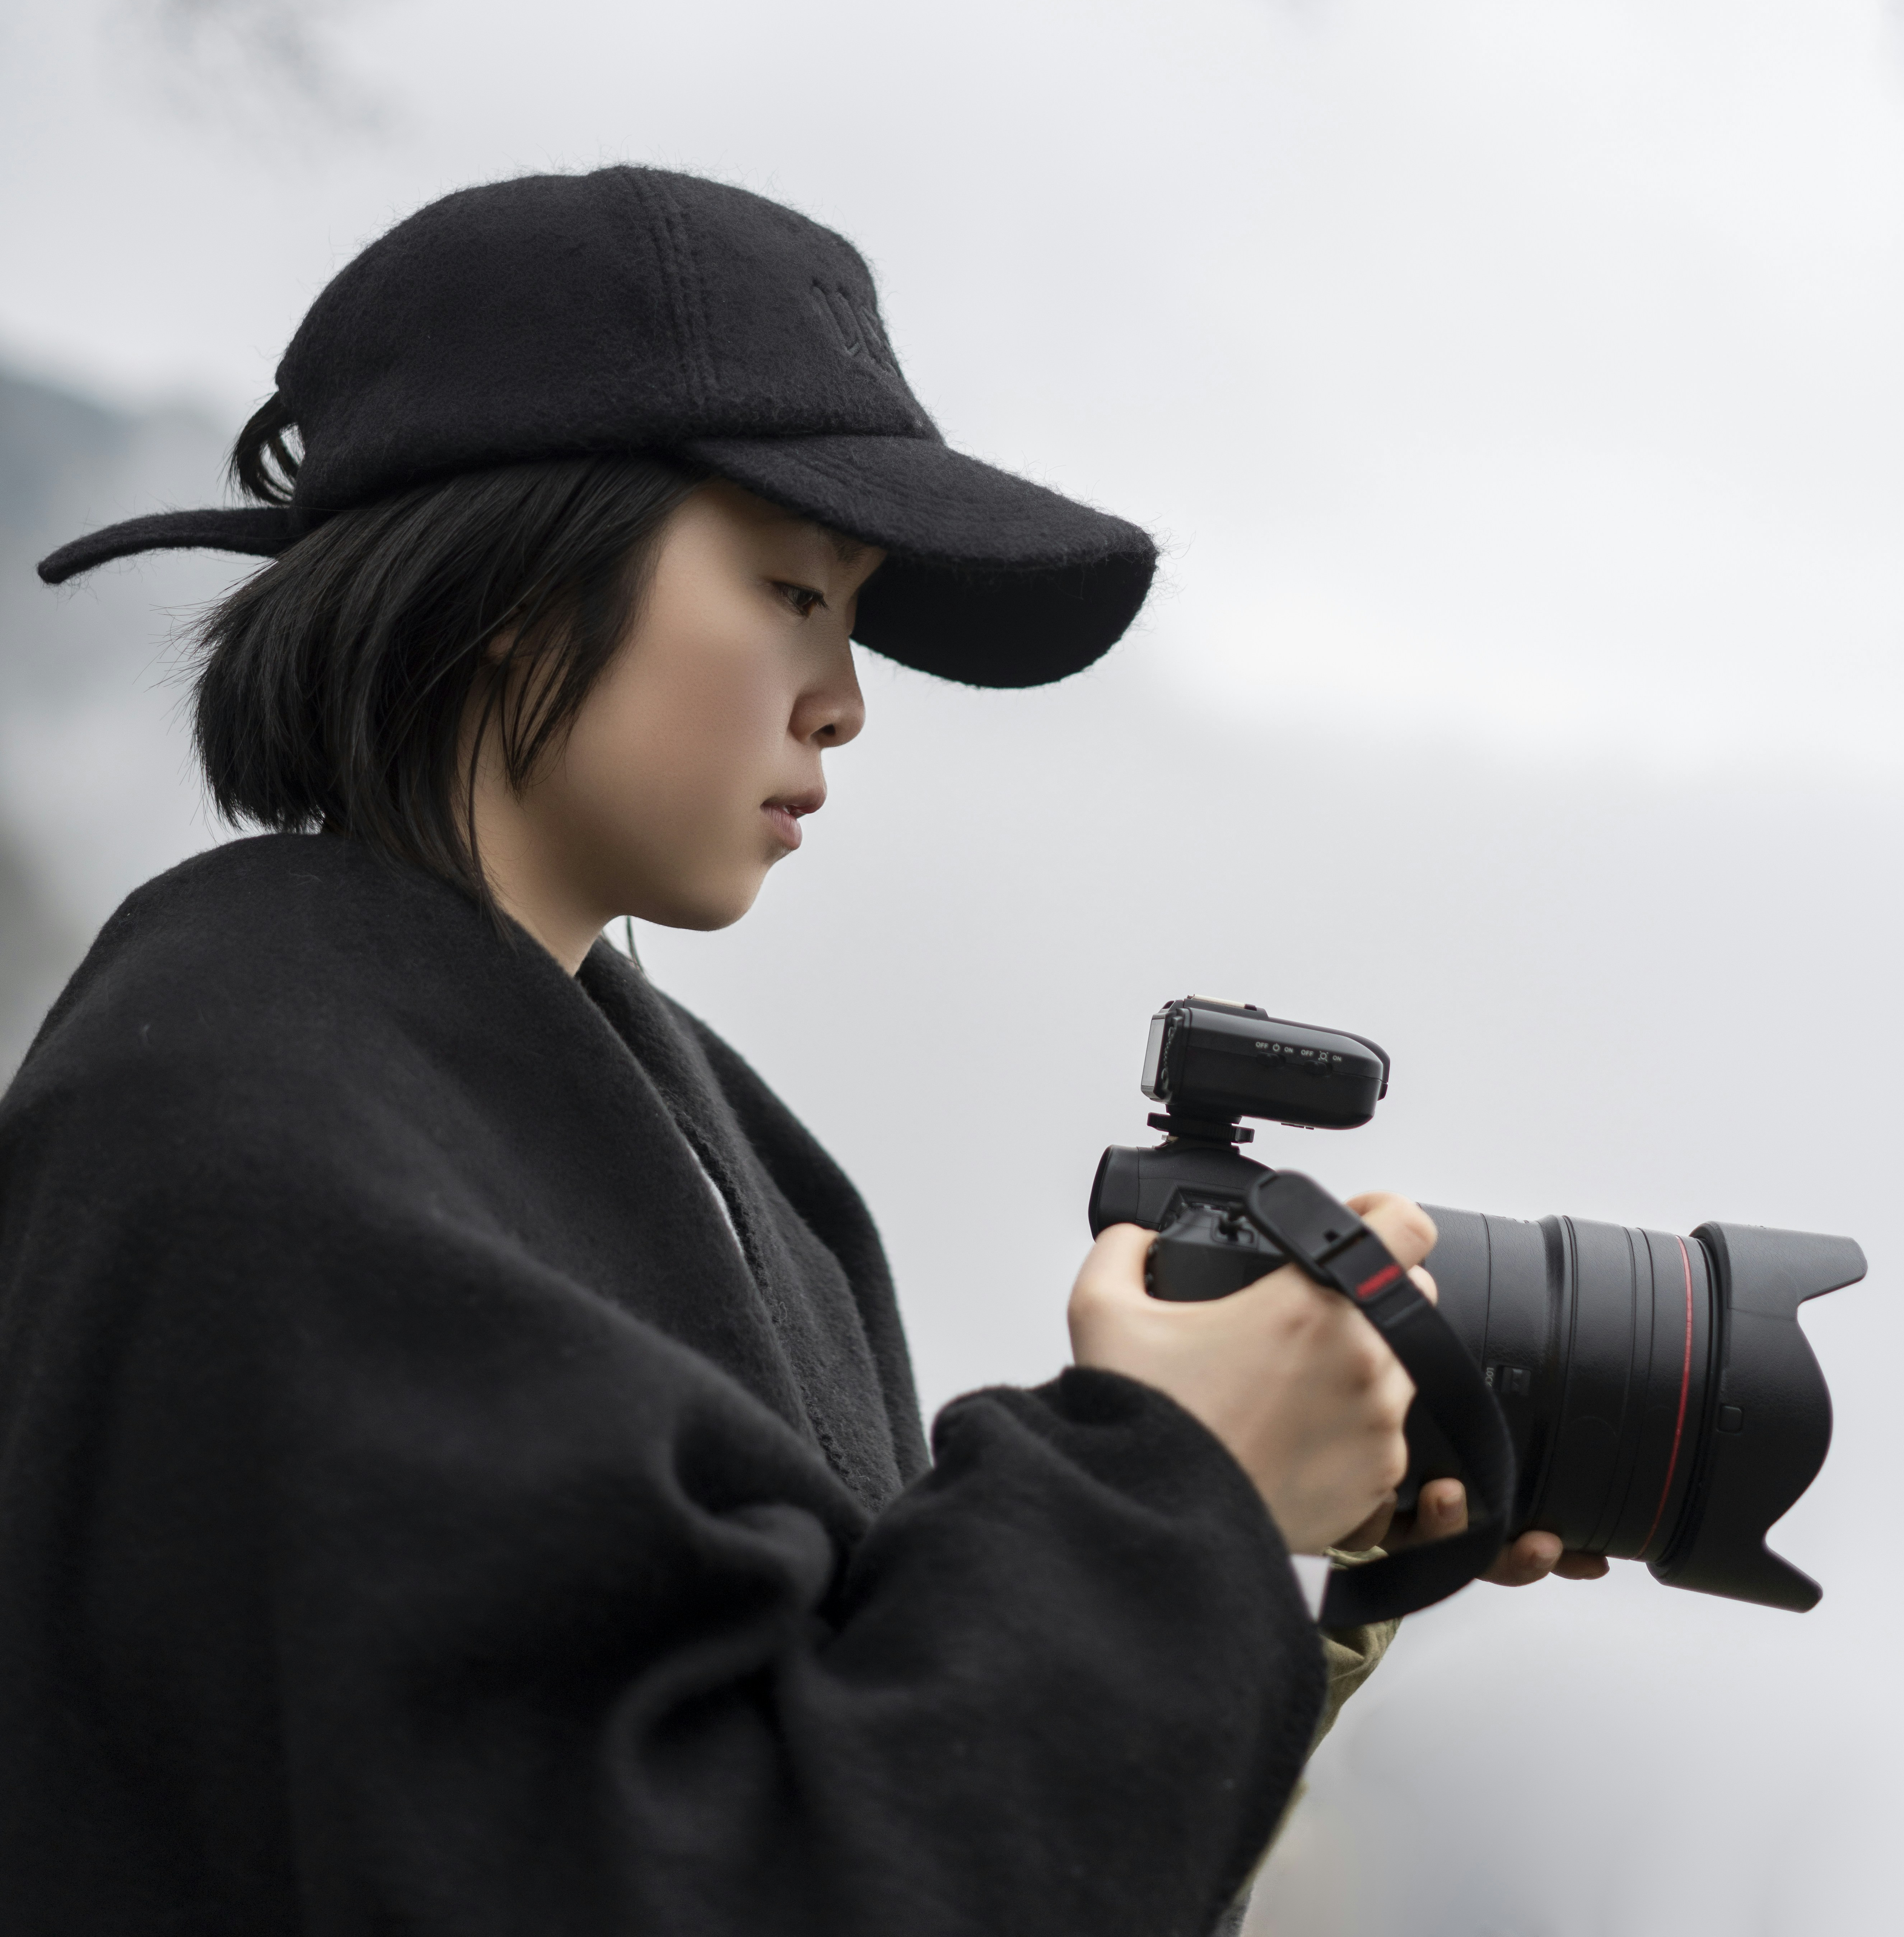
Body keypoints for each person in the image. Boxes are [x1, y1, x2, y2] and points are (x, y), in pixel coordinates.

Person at [0, 166, 1600, 1937]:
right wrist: (1168, 1486)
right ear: (519, 583)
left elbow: (869, 1789)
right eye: (792, 588)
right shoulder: (244, 1116)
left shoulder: (709, 1133)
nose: (845, 694)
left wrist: (1261, 1555)